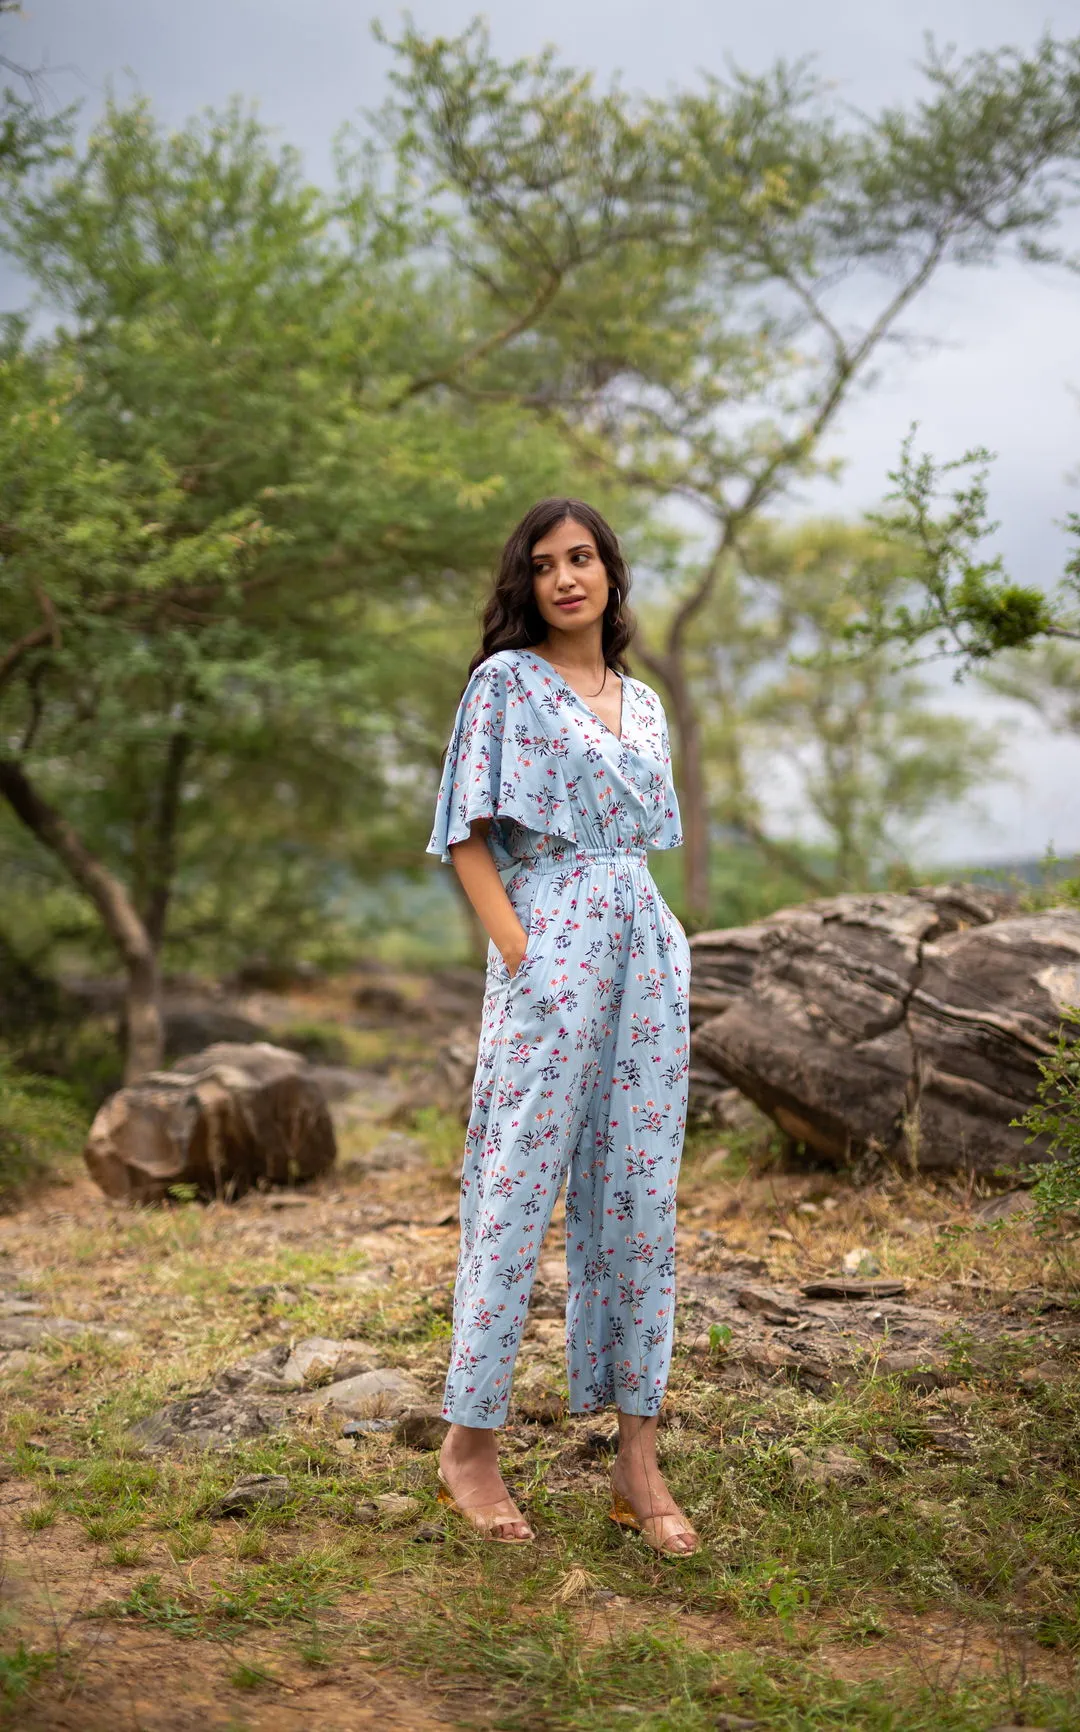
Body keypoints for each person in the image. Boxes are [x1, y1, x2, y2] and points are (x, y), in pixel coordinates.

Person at [425, 497, 698, 1556]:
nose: (565, 577)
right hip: (550, 944)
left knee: (637, 1190)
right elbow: (465, 835)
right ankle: (468, 1446)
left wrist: (648, 949)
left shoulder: (643, 703)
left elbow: (641, 840)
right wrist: (523, 956)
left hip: (642, 946)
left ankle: (636, 1457)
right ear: (526, 585)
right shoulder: (503, 686)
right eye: (543, 565)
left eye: (581, 558)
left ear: (607, 573)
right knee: (515, 1185)